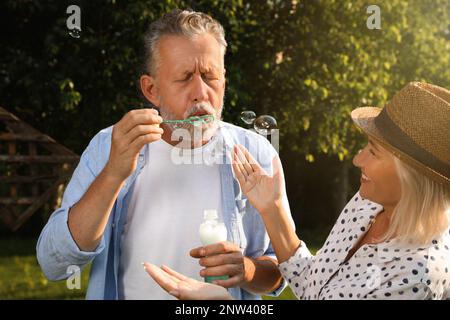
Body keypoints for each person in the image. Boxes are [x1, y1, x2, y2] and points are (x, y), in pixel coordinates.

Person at [36, 9, 294, 300]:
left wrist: (247, 271)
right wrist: (113, 173)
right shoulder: (109, 146)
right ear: (151, 89)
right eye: (184, 78)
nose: (200, 92)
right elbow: (55, 264)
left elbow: (284, 270)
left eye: (210, 76)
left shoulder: (256, 152)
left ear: (224, 79)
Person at [145, 82, 450, 299]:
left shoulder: (415, 273)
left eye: (373, 151)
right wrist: (272, 208)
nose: (358, 159)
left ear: (411, 177)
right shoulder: (369, 202)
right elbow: (313, 286)